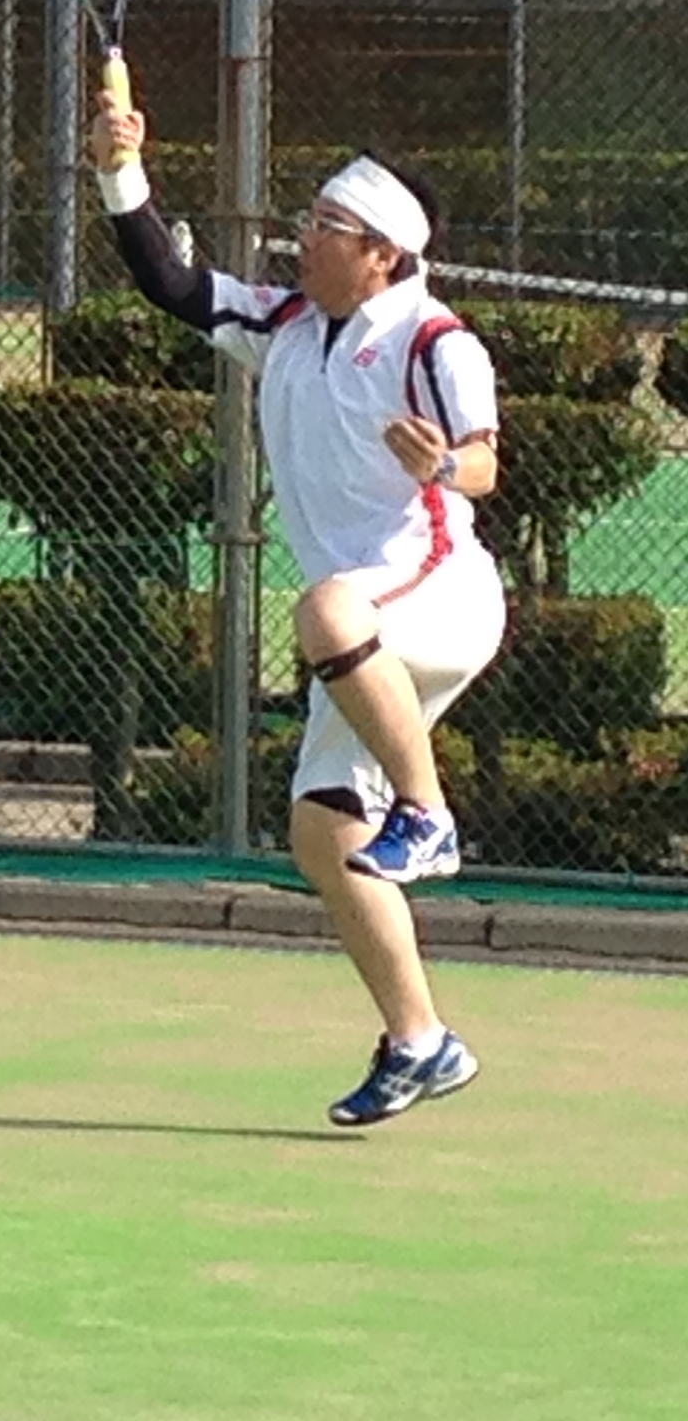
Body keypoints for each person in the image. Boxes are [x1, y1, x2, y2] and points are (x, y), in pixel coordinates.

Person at [90, 95, 506, 1127]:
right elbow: (171, 281)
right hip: (363, 636)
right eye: (308, 217)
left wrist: (441, 464)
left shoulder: (436, 340)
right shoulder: (281, 323)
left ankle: (428, 815)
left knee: (323, 610)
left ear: (382, 254)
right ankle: (421, 1040)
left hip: (438, 596)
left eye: (326, 224)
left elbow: (485, 465)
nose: (302, 235)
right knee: (322, 833)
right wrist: (118, 168)